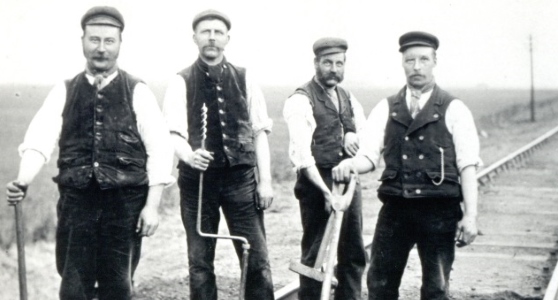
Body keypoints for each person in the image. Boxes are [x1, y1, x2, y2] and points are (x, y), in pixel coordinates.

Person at [5, 6, 173, 300]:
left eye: (109, 41)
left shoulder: (137, 91)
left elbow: (159, 149)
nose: (101, 49)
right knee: (72, 288)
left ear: (120, 44)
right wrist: (23, 180)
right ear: (82, 41)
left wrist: (152, 206)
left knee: (118, 286)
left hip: (124, 205)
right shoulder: (65, 90)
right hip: (77, 203)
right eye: (94, 40)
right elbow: (39, 139)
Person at [332, 31, 482, 300]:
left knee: (436, 287)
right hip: (396, 211)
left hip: (439, 211)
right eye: (410, 60)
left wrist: (470, 216)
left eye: (423, 59)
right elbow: (368, 156)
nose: (417, 66)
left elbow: (467, 167)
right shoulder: (386, 108)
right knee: (379, 283)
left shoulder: (454, 109)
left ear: (434, 62)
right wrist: (350, 164)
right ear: (402, 63)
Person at [162, 9, 275, 300]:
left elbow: (260, 132)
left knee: (257, 260)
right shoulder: (180, 81)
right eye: (205, 32)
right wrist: (189, 156)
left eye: (217, 32)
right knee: (200, 263)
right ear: (195, 38)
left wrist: (265, 182)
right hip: (198, 186)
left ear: (227, 38)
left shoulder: (245, 78)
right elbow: (173, 133)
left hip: (240, 183)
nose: (211, 37)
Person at [282, 37, 367, 300]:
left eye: (339, 63)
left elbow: (365, 133)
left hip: (348, 179)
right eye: (327, 62)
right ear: (316, 63)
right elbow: (302, 156)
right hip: (316, 181)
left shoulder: (347, 96)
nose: (333, 68)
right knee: (316, 253)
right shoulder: (300, 100)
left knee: (353, 250)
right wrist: (326, 193)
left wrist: (352, 134)